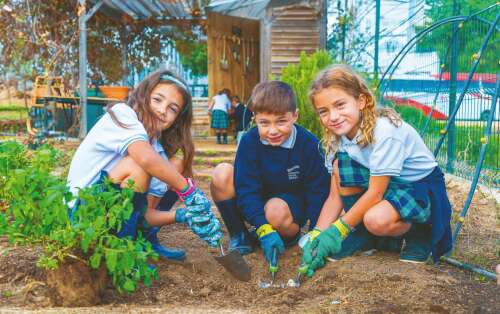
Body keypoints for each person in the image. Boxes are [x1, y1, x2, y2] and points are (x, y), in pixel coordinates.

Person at [300, 64, 452, 277]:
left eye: (340, 105)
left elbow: (375, 193)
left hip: (419, 187)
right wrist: (317, 235)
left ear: (361, 101)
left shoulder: (384, 131)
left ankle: (420, 231)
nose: (333, 117)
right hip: (387, 184)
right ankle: (365, 234)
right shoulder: (336, 139)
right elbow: (335, 197)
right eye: (324, 111)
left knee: (376, 219)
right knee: (339, 165)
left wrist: (338, 231)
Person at [67, 69, 222, 261]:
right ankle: (125, 253)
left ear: (177, 119)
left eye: (172, 108)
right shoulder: (122, 114)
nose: (162, 110)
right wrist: (189, 192)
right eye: (157, 100)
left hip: (110, 215)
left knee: (174, 166)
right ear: (143, 96)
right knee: (141, 165)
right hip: (81, 213)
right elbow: (145, 159)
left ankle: (144, 241)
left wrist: (183, 215)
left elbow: (142, 215)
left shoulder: (156, 149)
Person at [210, 81, 330, 265]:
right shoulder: (250, 141)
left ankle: (286, 235)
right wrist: (263, 227)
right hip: (257, 201)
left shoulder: (308, 144)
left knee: (275, 211)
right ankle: (241, 236)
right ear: (254, 119)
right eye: (264, 123)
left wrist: (315, 232)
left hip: (288, 207)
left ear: (295, 116)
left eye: (281, 121)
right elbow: (246, 189)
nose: (273, 130)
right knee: (221, 173)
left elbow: (318, 191)